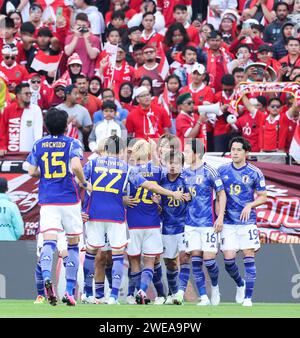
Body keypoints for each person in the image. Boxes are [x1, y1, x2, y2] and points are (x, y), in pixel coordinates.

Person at [82, 136, 184, 304]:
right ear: (122, 151)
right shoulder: (127, 169)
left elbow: (78, 178)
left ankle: (87, 293)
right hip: (119, 218)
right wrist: (172, 194)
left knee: (93, 254)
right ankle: (115, 296)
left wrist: (86, 197)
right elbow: (151, 185)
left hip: (98, 215)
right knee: (118, 257)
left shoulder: (93, 163)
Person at [26, 107, 92, 306]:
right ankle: (69, 291)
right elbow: (76, 166)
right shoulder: (73, 143)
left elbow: (31, 171)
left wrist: (46, 173)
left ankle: (47, 277)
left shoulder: (39, 144)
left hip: (48, 200)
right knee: (73, 245)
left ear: (46, 126)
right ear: (66, 126)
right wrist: (83, 182)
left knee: (49, 243)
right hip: (69, 200)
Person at [172, 138, 226, 306]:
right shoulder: (185, 173)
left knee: (209, 260)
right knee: (195, 259)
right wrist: (186, 197)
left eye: (187, 152)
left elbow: (221, 194)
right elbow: (186, 195)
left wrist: (220, 216)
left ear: (197, 154)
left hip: (208, 223)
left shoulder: (210, 171)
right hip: (190, 224)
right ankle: (204, 297)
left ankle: (215, 287)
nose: (185, 155)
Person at [218, 136, 267, 307]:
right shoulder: (222, 170)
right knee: (229, 260)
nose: (235, 153)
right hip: (229, 223)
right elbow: (218, 196)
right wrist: (219, 216)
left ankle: (248, 298)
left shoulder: (254, 172)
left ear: (246, 152)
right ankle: (240, 283)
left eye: (239, 150)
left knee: (249, 256)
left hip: (247, 222)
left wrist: (250, 205)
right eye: (233, 149)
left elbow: (263, 197)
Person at [160, 151, 190, 304]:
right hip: (167, 227)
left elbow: (197, 201)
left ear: (182, 165)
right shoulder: (160, 181)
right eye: (170, 162)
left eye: (176, 163)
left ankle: (180, 293)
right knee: (170, 263)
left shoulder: (186, 181)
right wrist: (156, 202)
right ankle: (173, 294)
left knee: (184, 258)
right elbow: (158, 207)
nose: (173, 166)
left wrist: (190, 198)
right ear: (165, 164)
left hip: (184, 227)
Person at [0, 82, 43, 155]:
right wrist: (2, 147)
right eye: (26, 93)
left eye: (30, 93)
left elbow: (38, 133)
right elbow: (2, 130)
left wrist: (37, 150)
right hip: (10, 155)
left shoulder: (36, 109)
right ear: (18, 95)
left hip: (29, 154)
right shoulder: (8, 109)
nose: (29, 95)